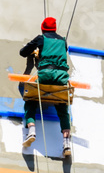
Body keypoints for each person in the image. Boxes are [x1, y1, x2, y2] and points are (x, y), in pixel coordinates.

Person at [20, 17, 72, 158]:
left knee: (30, 99)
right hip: (62, 77)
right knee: (62, 106)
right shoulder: (63, 40)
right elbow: (60, 53)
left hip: (45, 74)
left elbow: (23, 52)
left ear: (43, 28)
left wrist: (35, 53)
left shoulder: (41, 38)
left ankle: (31, 130)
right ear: (54, 28)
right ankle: (66, 142)